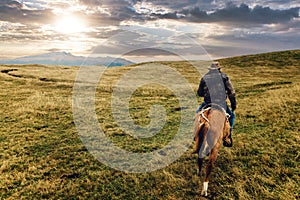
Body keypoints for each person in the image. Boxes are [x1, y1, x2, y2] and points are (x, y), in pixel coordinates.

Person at [196, 62, 236, 147]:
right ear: (219, 69)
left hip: (208, 103)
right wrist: (233, 104)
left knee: (197, 113)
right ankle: (228, 136)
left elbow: (199, 93)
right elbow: (231, 92)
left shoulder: (205, 77)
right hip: (221, 103)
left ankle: (196, 133)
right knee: (232, 116)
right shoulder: (224, 77)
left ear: (210, 69)